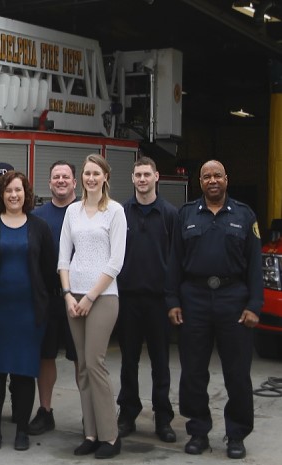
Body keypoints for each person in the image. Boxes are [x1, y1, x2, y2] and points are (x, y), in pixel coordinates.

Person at [166, 160, 263, 460]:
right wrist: (172, 301)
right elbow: (174, 261)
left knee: (237, 372)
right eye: (206, 176)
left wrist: (254, 305)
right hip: (193, 298)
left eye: (217, 175)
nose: (212, 180)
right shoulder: (186, 215)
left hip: (233, 298)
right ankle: (198, 431)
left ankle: (237, 434)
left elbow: (255, 265)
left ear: (226, 179)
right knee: (193, 372)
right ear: (200, 182)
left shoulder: (244, 215)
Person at [0, 170, 57, 452]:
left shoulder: (40, 227)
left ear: (26, 194)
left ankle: (22, 430)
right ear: (1, 194)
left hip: (29, 315)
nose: (14, 195)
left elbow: (49, 271)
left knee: (24, 373)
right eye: (9, 190)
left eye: (18, 190)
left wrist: (45, 306)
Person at [59, 154, 127, 459]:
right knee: (82, 367)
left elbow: (115, 262)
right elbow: (63, 258)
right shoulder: (72, 211)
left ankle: (110, 436)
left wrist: (89, 297)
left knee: (95, 363)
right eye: (87, 173)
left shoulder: (115, 211)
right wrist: (68, 295)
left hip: (103, 297)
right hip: (74, 297)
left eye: (96, 173)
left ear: (105, 177)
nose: (91, 178)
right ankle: (90, 433)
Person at [116, 157, 177, 443]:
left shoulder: (170, 214)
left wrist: (174, 298)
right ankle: (127, 414)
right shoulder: (120, 213)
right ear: (132, 178)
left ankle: (163, 418)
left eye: (146, 174)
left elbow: (176, 259)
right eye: (138, 174)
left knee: (160, 362)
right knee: (128, 361)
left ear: (156, 177)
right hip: (127, 299)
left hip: (158, 301)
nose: (142, 179)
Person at [28, 161, 79, 435]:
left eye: (65, 177)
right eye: (56, 176)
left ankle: (90, 415)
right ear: (49, 183)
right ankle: (45, 411)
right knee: (45, 356)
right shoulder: (37, 217)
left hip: (79, 299)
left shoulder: (86, 212)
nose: (60, 180)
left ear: (74, 182)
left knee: (82, 359)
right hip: (47, 298)